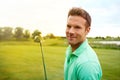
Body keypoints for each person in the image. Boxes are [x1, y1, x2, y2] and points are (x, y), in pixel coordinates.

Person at [64, 7, 102, 80]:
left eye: (77, 27)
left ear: (87, 30)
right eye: (69, 26)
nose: (71, 31)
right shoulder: (70, 50)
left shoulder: (87, 64)